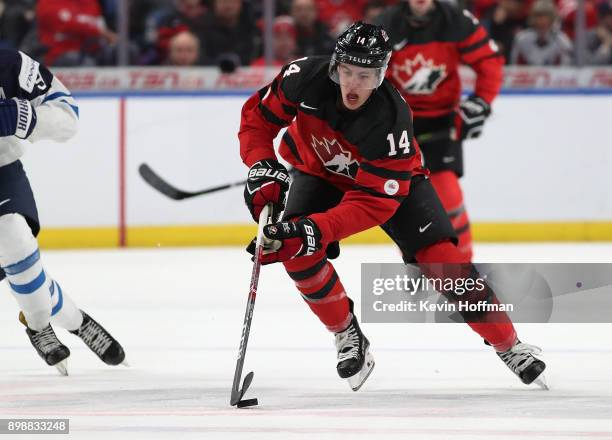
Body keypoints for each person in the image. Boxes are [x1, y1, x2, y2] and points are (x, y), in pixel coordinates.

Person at [238, 22, 546, 391]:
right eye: (346, 72)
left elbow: (372, 203)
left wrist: (317, 229)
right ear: (335, 64)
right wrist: (260, 163)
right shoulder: (302, 76)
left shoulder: (392, 120)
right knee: (295, 251)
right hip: (318, 172)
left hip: (392, 188)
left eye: (365, 76)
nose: (353, 85)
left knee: (445, 263)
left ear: (382, 74)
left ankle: (509, 344)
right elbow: (257, 118)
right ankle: (345, 333)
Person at [0, 48, 126, 375]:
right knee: (22, 272)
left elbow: (67, 118)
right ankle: (76, 320)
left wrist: (23, 116)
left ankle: (39, 323)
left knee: (14, 239)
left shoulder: (10, 64)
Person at [373, 0, 505, 262]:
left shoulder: (457, 20)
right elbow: (370, 74)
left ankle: (465, 273)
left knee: (449, 199)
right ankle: (420, 266)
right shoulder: (385, 25)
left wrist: (482, 100)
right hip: (400, 123)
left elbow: (489, 61)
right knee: (406, 204)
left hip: (442, 121)